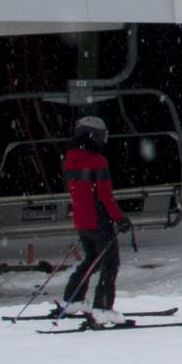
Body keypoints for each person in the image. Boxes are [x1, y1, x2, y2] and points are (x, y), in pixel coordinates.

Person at [58, 116, 133, 324]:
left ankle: (73, 299)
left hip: (81, 221)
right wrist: (120, 219)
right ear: (94, 136)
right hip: (99, 221)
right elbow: (105, 196)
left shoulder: (69, 159)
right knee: (110, 263)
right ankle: (103, 308)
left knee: (92, 259)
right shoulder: (98, 161)